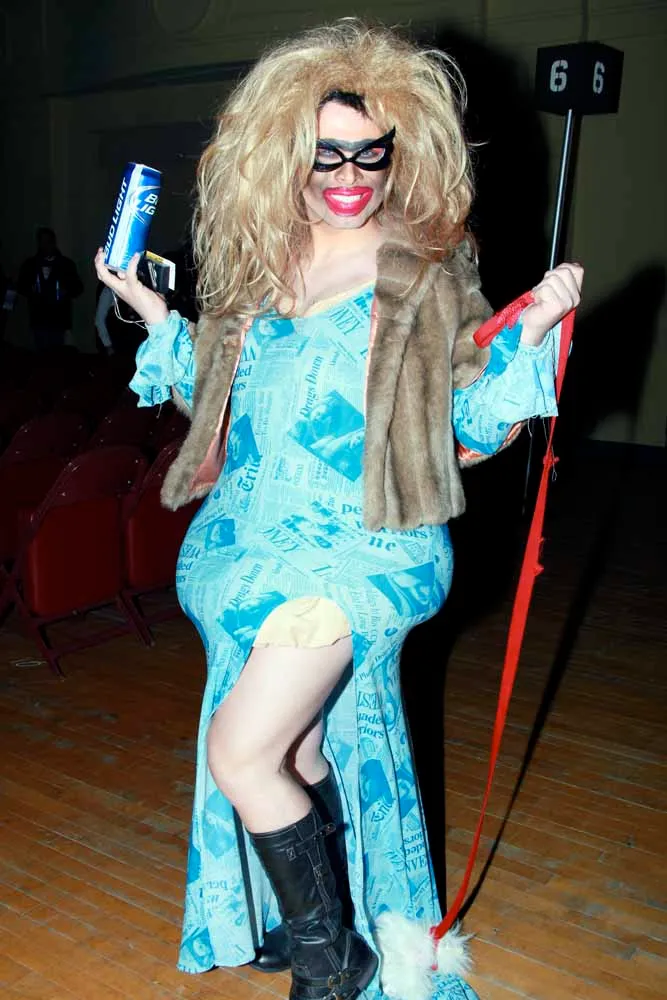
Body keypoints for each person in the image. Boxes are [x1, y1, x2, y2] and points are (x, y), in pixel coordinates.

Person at [95, 20, 582, 1000]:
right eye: (326, 155)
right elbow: (223, 406)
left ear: (403, 152)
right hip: (247, 545)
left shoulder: (424, 275)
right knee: (299, 744)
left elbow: (466, 427)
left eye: (371, 153)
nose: (350, 175)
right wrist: (154, 316)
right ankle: (306, 914)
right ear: (283, 156)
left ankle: (334, 964)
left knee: (241, 751)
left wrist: (530, 335)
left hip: (360, 550)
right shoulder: (260, 269)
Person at [17, 227, 83, 350]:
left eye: (48, 241)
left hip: (59, 319)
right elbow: (20, 286)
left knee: (56, 353)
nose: (45, 246)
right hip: (39, 319)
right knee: (41, 352)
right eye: (42, 242)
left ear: (54, 242)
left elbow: (78, 288)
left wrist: (66, 291)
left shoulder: (66, 264)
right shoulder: (30, 265)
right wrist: (30, 290)